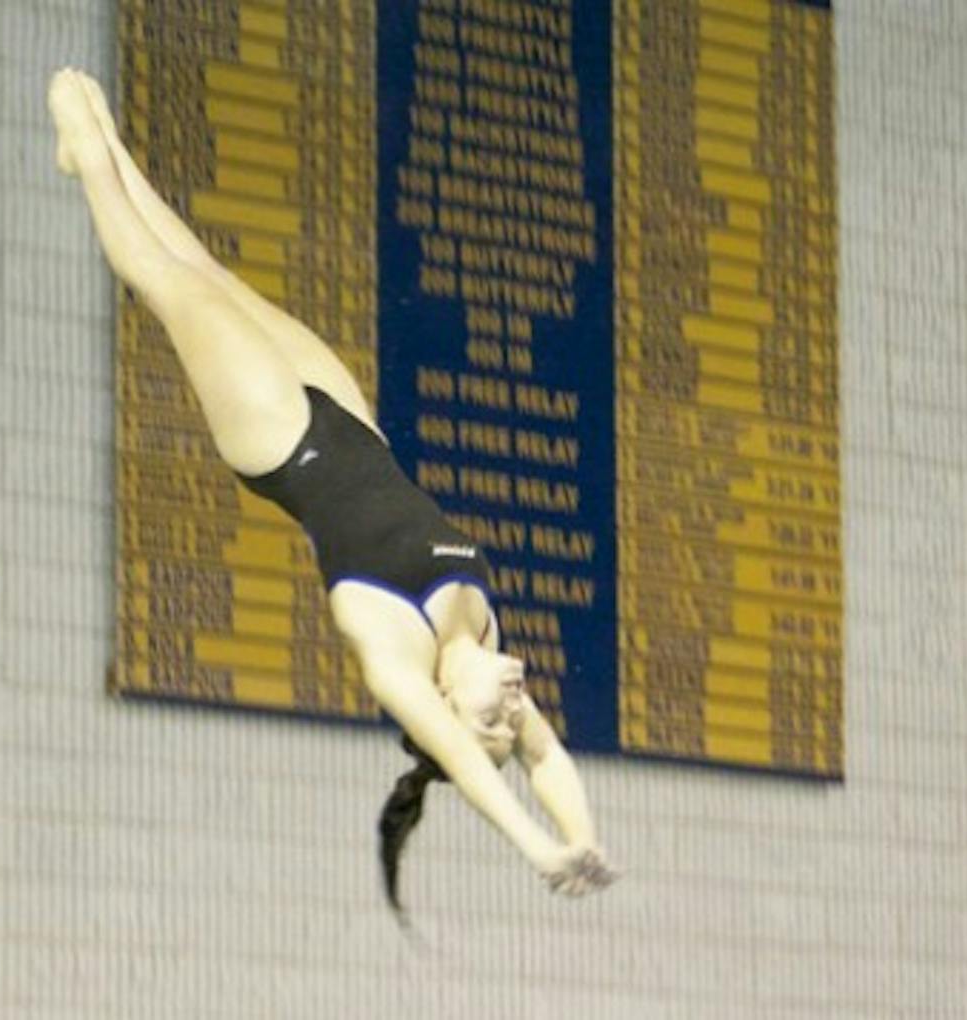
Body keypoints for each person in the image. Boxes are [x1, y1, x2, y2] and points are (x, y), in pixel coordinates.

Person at [47, 68, 617, 911]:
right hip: (350, 424)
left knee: (176, 289)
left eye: (491, 721)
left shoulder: (398, 662)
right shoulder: (484, 642)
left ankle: (87, 153)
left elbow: (469, 764)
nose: (513, 712)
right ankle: (113, 155)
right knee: (212, 272)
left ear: (444, 710)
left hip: (280, 443)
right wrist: (581, 836)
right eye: (511, 722)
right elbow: (543, 759)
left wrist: (534, 845)